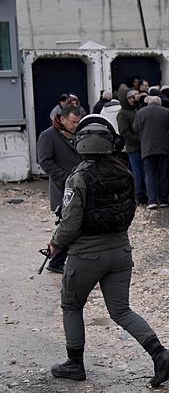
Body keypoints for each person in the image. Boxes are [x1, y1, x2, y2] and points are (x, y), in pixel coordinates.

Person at [47, 116, 169, 386]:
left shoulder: (78, 177)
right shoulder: (123, 171)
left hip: (86, 254)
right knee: (121, 310)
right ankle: (160, 354)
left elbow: (71, 223)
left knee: (71, 306)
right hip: (120, 250)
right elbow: (130, 209)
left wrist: (55, 243)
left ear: (81, 144)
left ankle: (75, 364)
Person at [36, 105, 82, 274]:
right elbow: (45, 161)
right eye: (73, 122)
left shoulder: (78, 133)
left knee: (75, 224)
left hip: (80, 187)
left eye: (78, 122)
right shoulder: (48, 136)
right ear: (62, 119)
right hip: (61, 189)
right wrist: (65, 178)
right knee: (69, 225)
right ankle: (56, 261)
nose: (76, 125)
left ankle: (65, 259)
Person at [132, 95, 169, 209]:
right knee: (164, 174)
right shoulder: (167, 112)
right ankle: (164, 199)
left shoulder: (140, 112)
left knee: (150, 174)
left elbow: (135, 128)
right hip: (164, 148)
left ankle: (152, 200)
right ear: (159, 103)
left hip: (147, 148)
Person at [116, 89, 147, 205]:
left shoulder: (134, 110)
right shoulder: (122, 113)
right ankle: (139, 195)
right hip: (133, 147)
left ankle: (143, 193)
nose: (132, 100)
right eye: (129, 98)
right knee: (137, 172)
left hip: (141, 146)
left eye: (132, 98)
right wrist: (138, 139)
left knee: (142, 171)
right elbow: (124, 132)